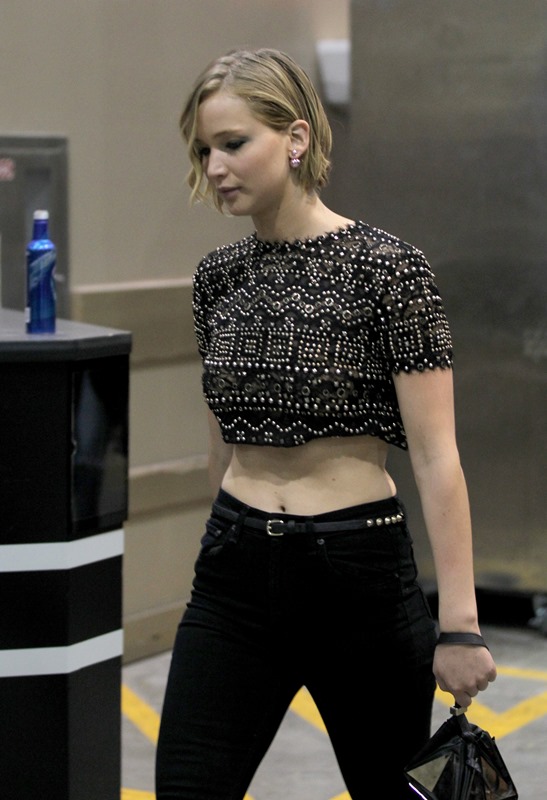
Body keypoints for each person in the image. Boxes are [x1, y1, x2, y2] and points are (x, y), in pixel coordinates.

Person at [155, 48, 497, 799]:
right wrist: (226, 539)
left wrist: (460, 624)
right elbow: (221, 443)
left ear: (296, 138)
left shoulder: (388, 270)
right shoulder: (217, 278)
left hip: (357, 577)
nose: (215, 167)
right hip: (235, 576)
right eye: (203, 150)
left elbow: (437, 457)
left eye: (233, 143)